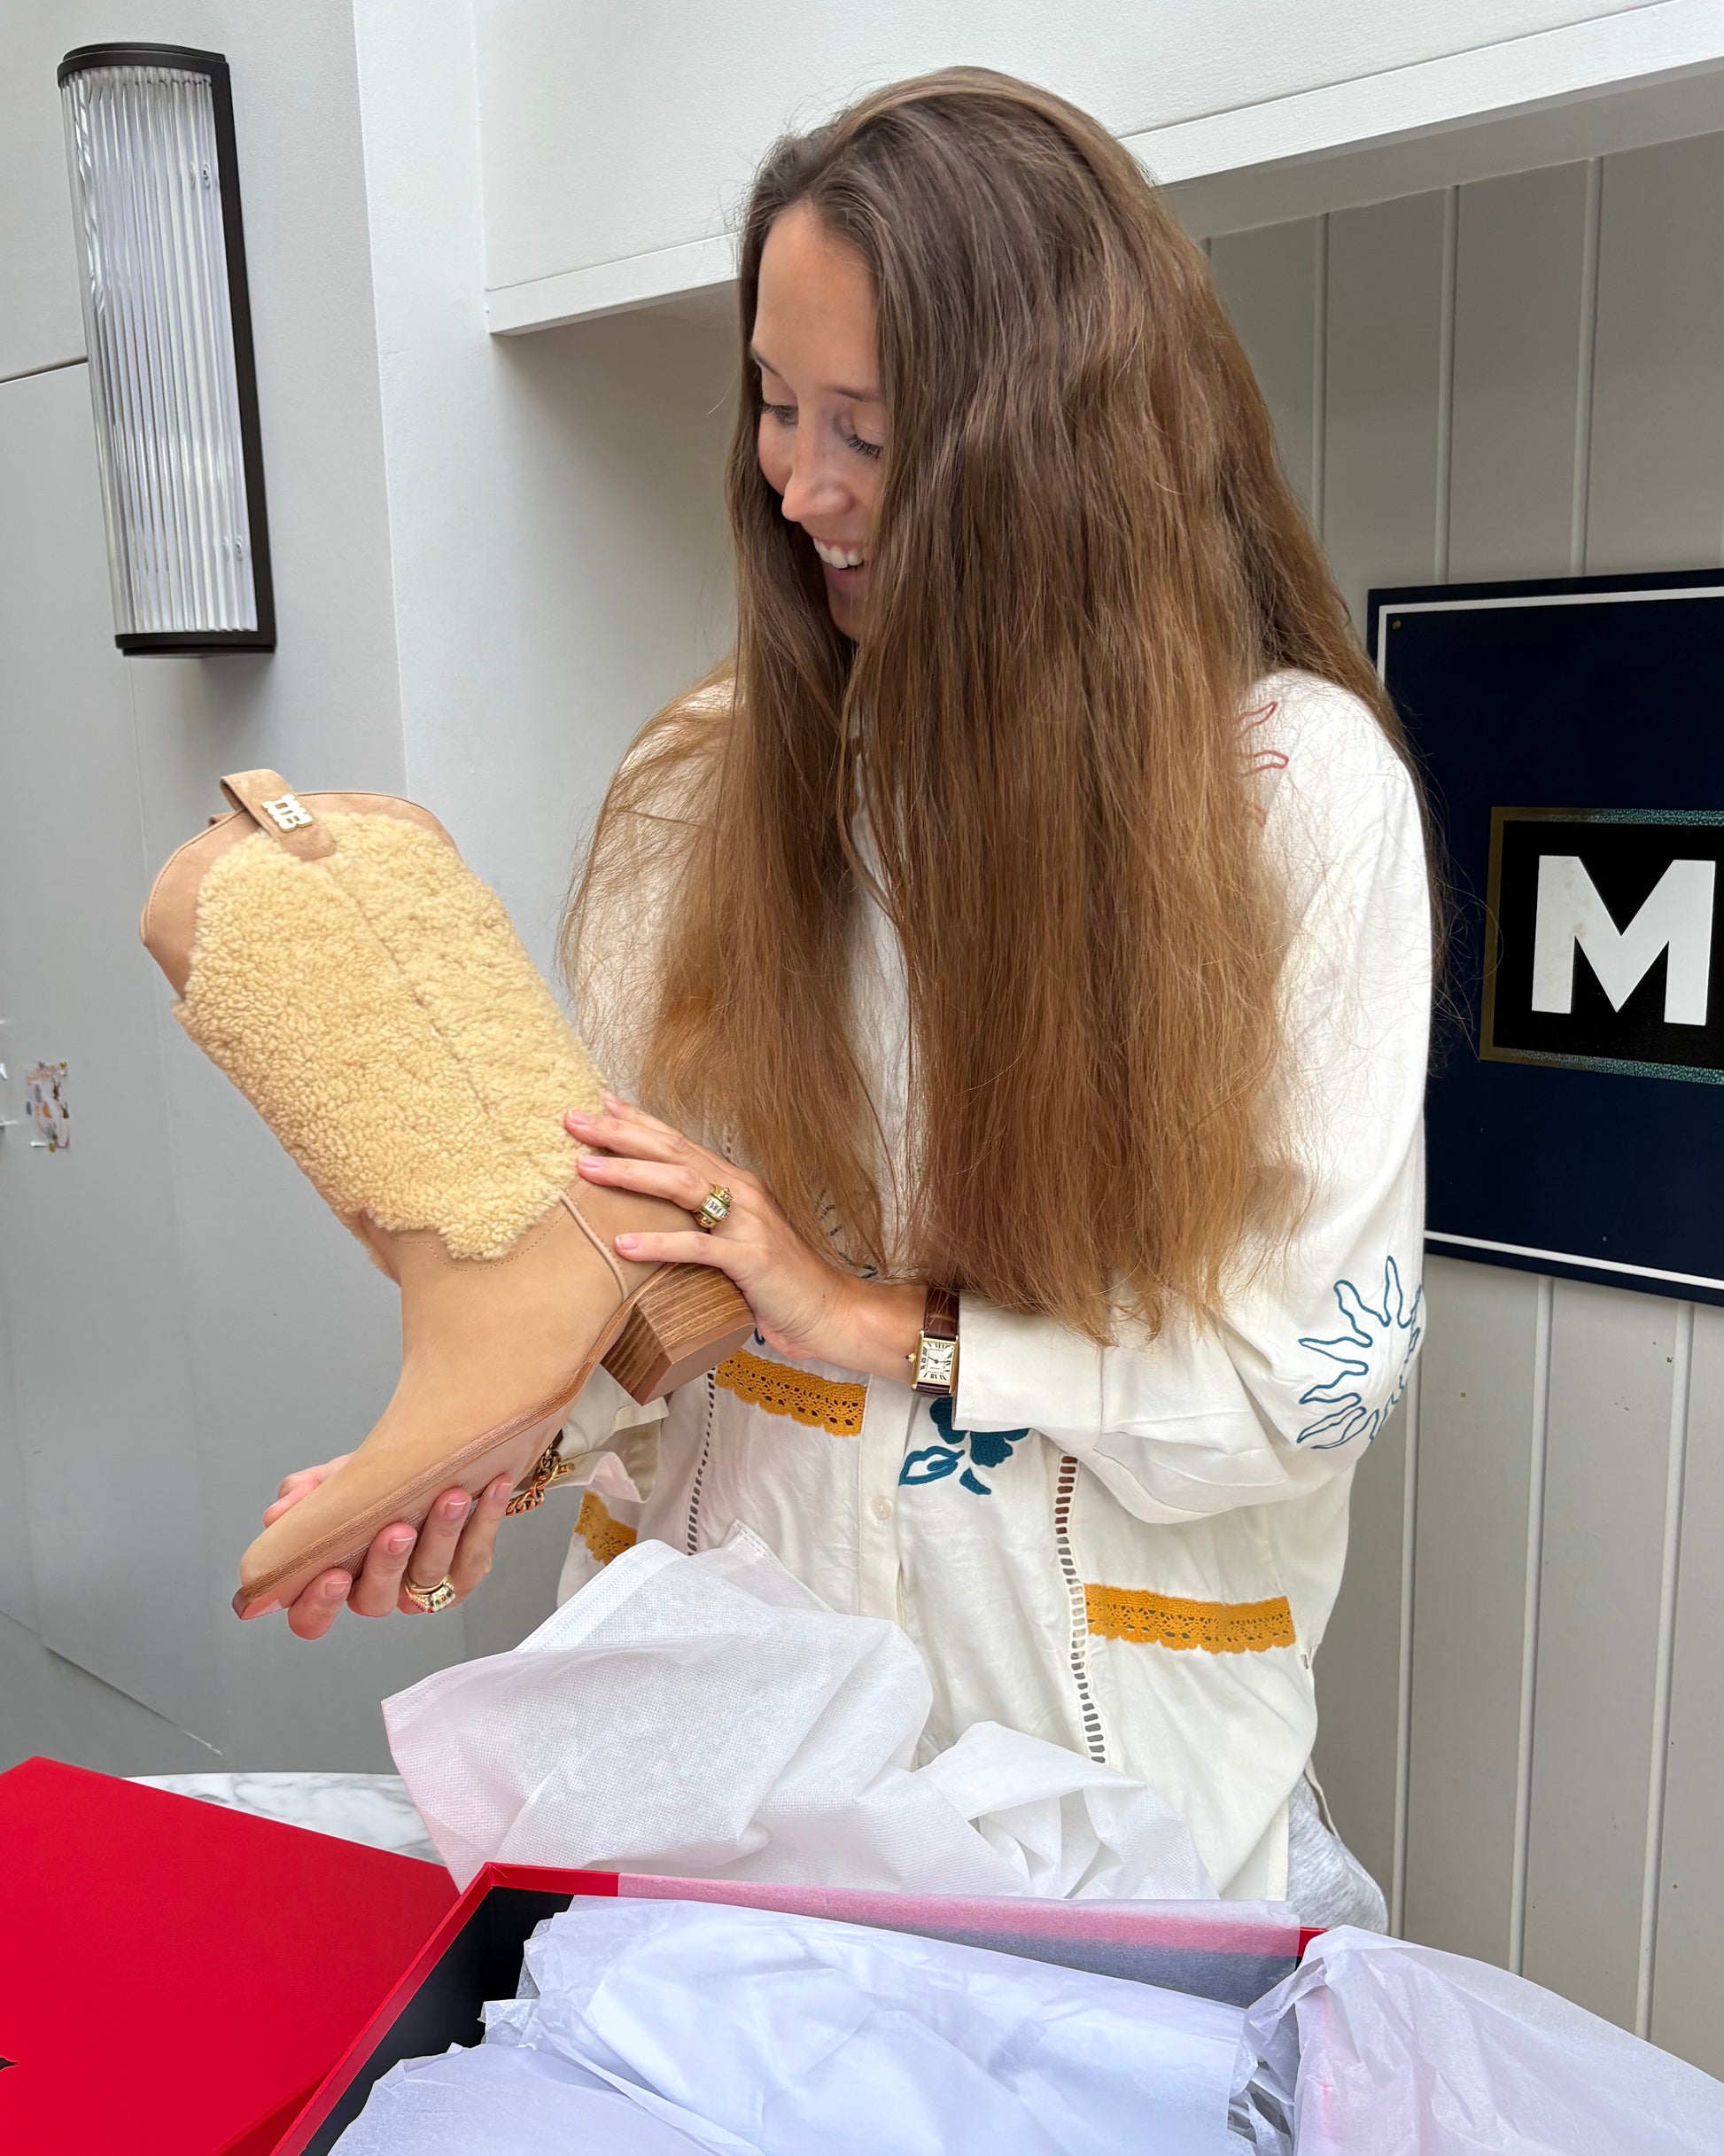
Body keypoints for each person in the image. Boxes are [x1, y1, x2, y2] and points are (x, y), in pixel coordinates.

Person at [266, 69, 1428, 1923]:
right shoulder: (703, 782)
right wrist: (497, 1435)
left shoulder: (1288, 799)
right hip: (707, 1772)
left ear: (1048, 440)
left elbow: (1301, 1390)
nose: (798, 486)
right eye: (772, 406)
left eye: (868, 432)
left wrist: (871, 1317)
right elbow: (643, 1266)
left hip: (1093, 1799)